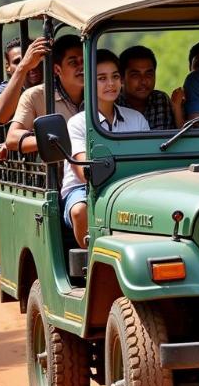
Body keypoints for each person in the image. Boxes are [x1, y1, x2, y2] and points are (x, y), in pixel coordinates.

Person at [63, 50, 150, 246]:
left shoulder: (136, 119)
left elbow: (148, 162)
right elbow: (84, 173)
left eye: (115, 77)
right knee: (79, 211)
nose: (110, 84)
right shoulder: (77, 123)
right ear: (89, 83)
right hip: (84, 189)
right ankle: (90, 261)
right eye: (102, 78)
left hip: (129, 185)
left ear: (121, 81)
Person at [6, 34, 85, 156]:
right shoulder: (36, 96)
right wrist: (55, 140)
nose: (82, 68)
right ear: (57, 70)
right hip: (56, 171)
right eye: (74, 63)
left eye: (84, 61)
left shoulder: (101, 93)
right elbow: (12, 139)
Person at [0, 36, 46, 160]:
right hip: (26, 165)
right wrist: (23, 67)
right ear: (8, 66)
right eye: (18, 61)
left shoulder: (55, 85)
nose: (31, 65)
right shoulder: (2, 91)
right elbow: (0, 116)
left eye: (34, 59)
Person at [117, 45, 179, 130]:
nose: (143, 81)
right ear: (122, 78)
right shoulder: (113, 102)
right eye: (135, 75)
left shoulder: (160, 99)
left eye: (149, 74)